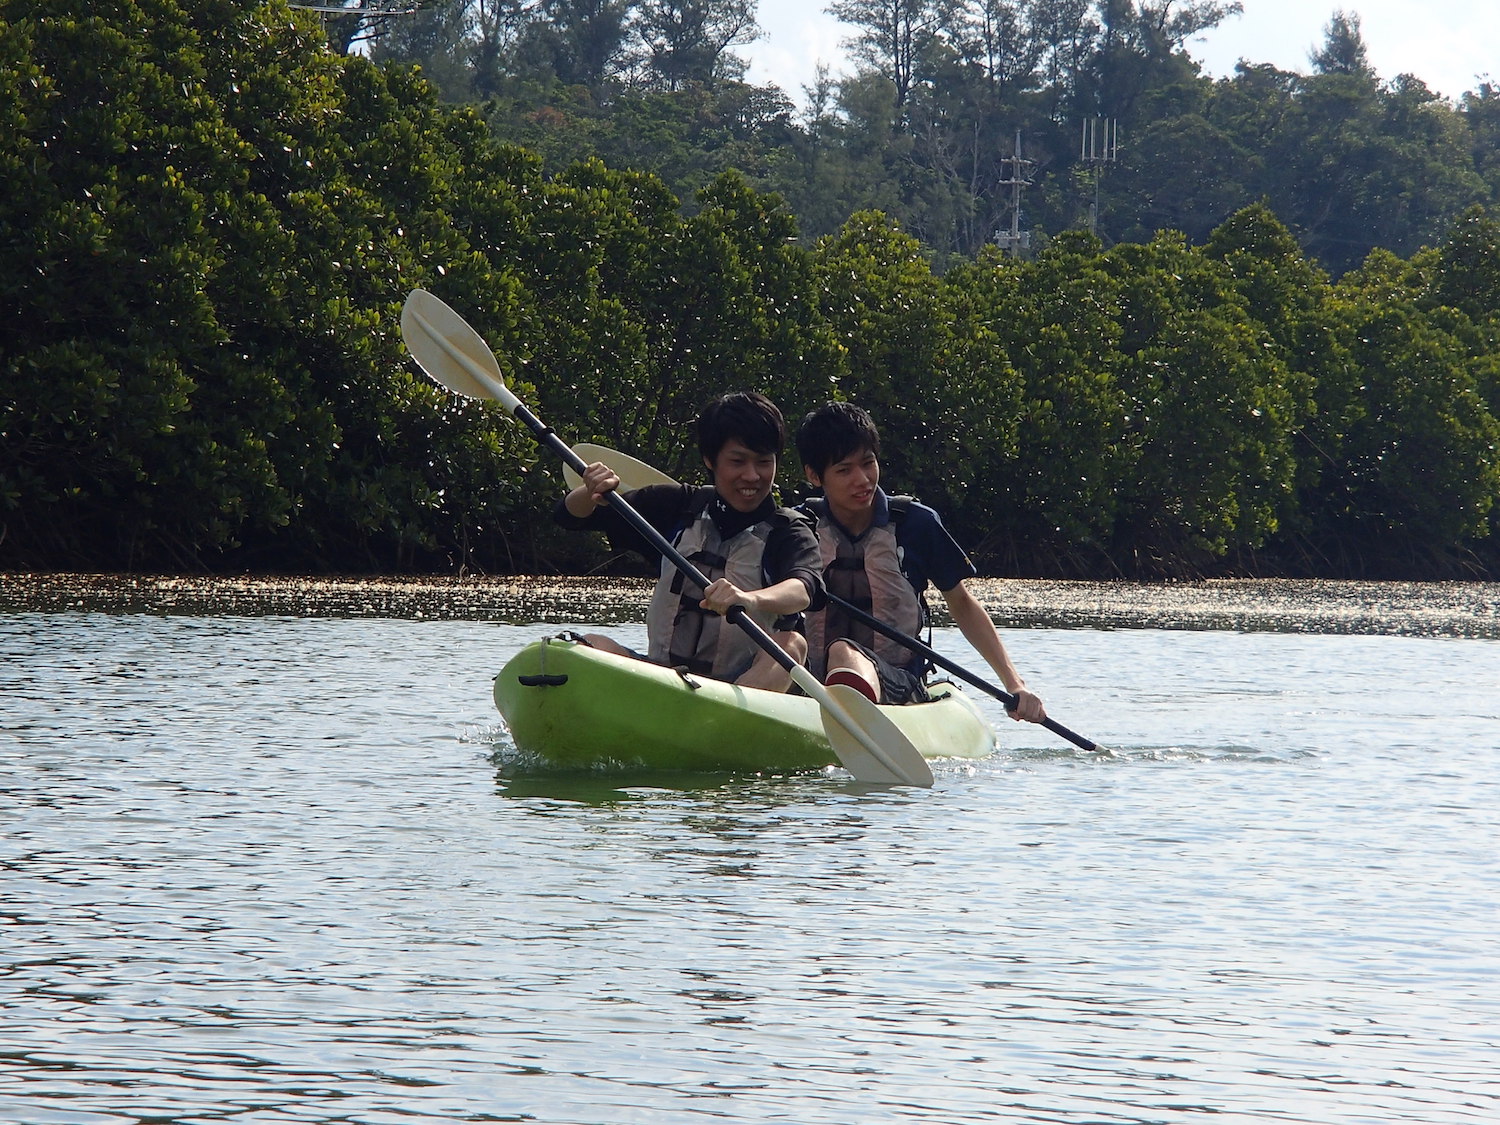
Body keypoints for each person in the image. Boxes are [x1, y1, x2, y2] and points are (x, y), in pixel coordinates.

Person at [554, 391, 823, 693]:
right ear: (710, 460)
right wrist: (590, 491)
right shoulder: (678, 506)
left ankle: (722, 727)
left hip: (742, 691)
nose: (752, 476)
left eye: (764, 462)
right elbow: (571, 517)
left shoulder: (788, 530)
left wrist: (750, 599)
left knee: (790, 644)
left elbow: (803, 589)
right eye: (738, 462)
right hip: (663, 679)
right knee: (587, 646)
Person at [795, 401, 1046, 722]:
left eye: (868, 463)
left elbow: (962, 604)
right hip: (809, 681)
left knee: (844, 653)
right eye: (844, 470)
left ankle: (852, 714)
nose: (862, 479)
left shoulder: (916, 524)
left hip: (900, 684)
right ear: (815, 476)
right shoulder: (798, 527)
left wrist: (1015, 684)